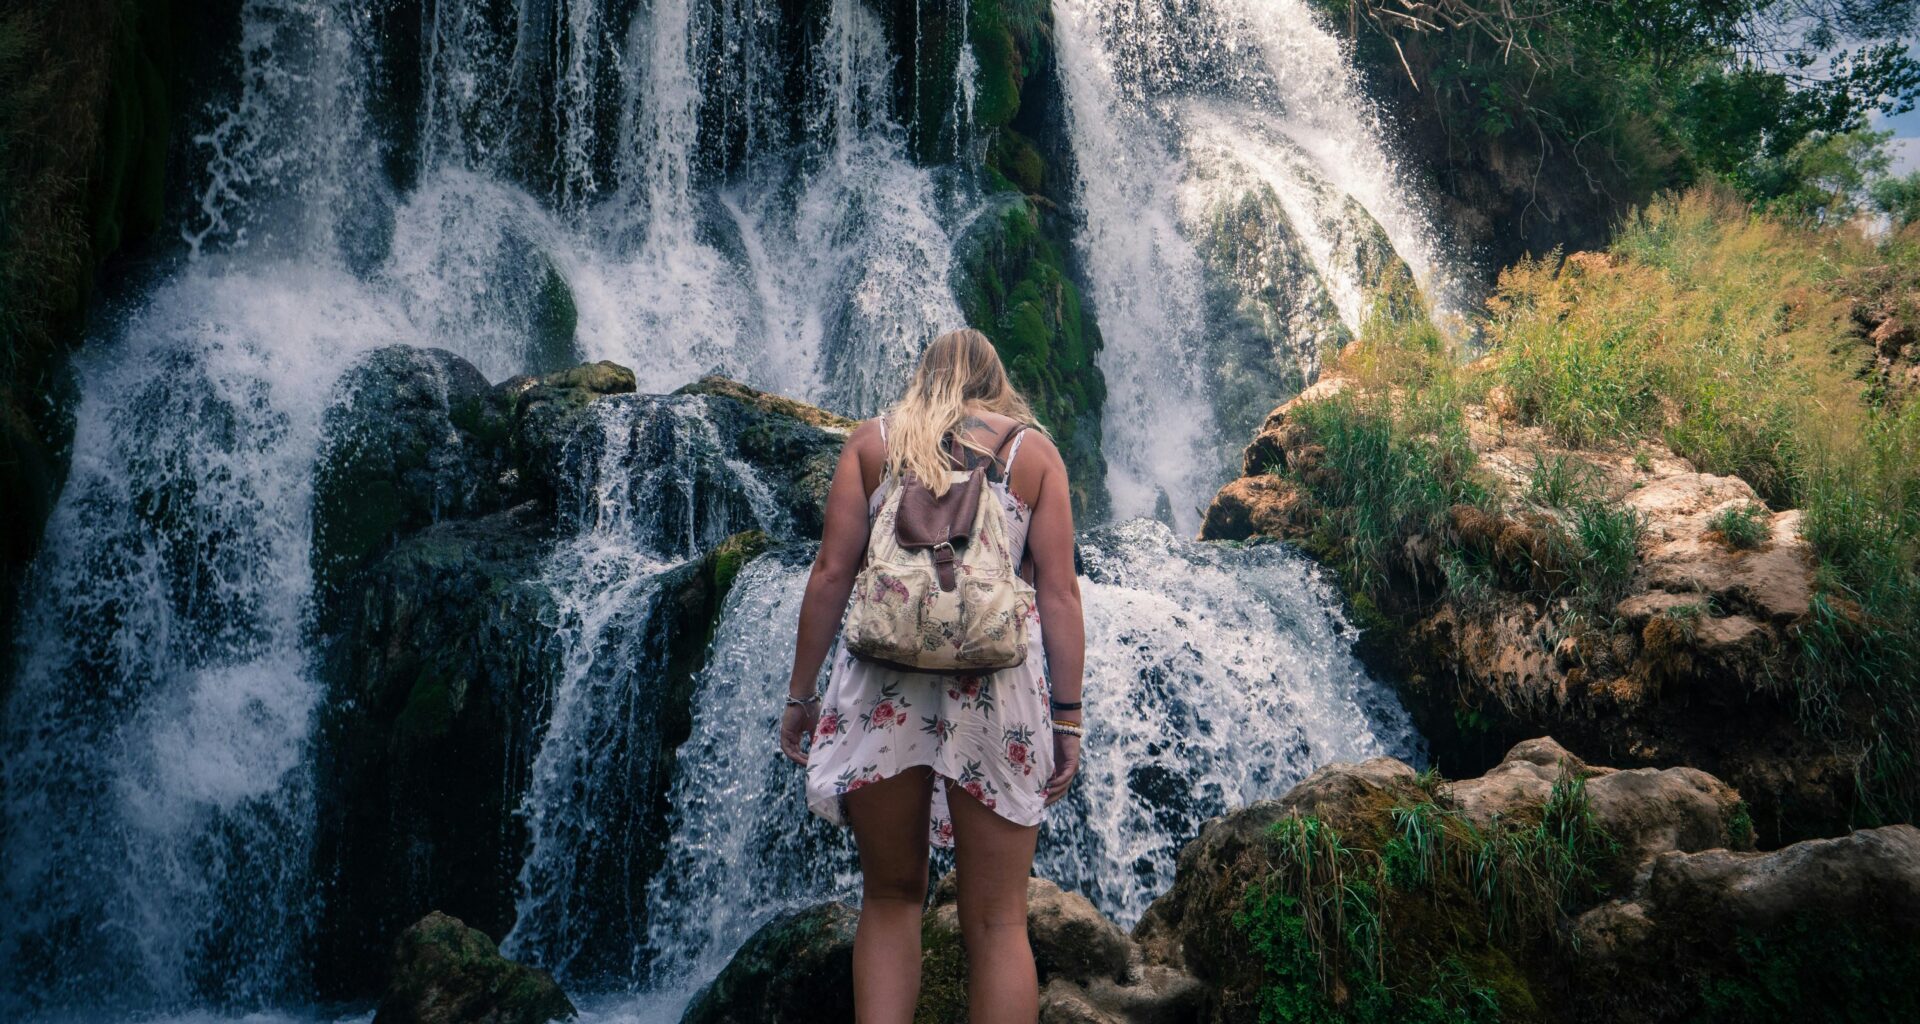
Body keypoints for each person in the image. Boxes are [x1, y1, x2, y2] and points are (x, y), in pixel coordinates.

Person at [779, 327, 1086, 1023]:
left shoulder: (873, 445)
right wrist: (1067, 717)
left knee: (889, 898)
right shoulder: (1029, 454)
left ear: (925, 376)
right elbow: (1061, 594)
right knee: (999, 921)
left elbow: (830, 575)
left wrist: (801, 697)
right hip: (995, 689)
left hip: (880, 682)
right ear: (994, 383)